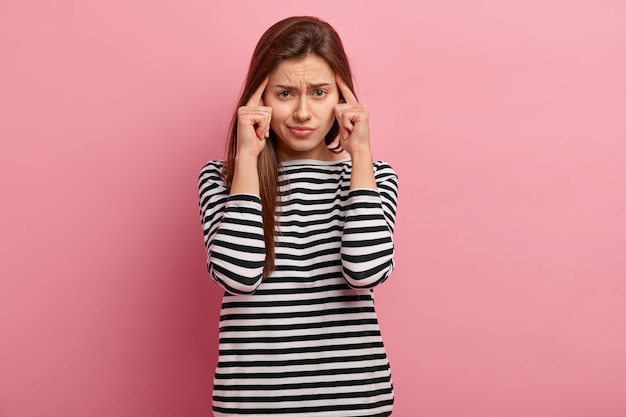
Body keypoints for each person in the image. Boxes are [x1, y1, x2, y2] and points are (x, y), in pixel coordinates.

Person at [198, 15, 399, 417]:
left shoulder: (374, 177)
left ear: (343, 99)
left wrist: (360, 153)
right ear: (260, 99)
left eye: (320, 92)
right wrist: (248, 159)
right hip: (252, 406)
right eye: (285, 93)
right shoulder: (221, 178)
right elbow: (237, 276)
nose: (303, 112)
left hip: (355, 401)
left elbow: (366, 271)